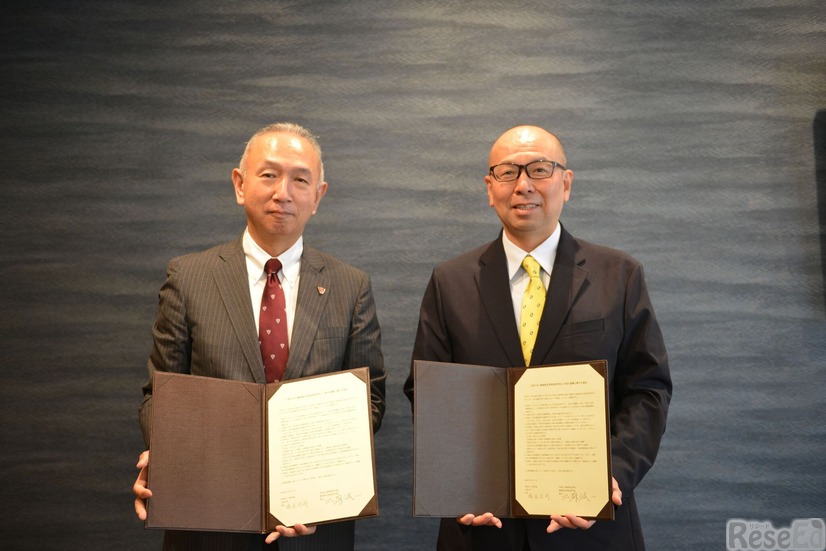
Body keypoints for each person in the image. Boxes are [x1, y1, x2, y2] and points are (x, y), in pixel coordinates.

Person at [404, 125, 671, 550]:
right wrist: (457, 481)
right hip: (481, 526)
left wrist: (611, 474)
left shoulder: (618, 276)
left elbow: (647, 388)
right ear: (490, 189)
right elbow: (427, 390)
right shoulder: (449, 282)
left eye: (539, 169)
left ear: (566, 183)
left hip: (592, 526)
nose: (524, 185)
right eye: (507, 173)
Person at [133, 122, 387, 551]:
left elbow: (370, 401)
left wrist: (316, 481)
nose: (282, 192)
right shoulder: (189, 277)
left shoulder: (350, 286)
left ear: (319, 195)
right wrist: (166, 451)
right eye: (268, 174)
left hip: (315, 527)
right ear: (239, 183)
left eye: (300, 179)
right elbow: (160, 394)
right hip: (207, 519)